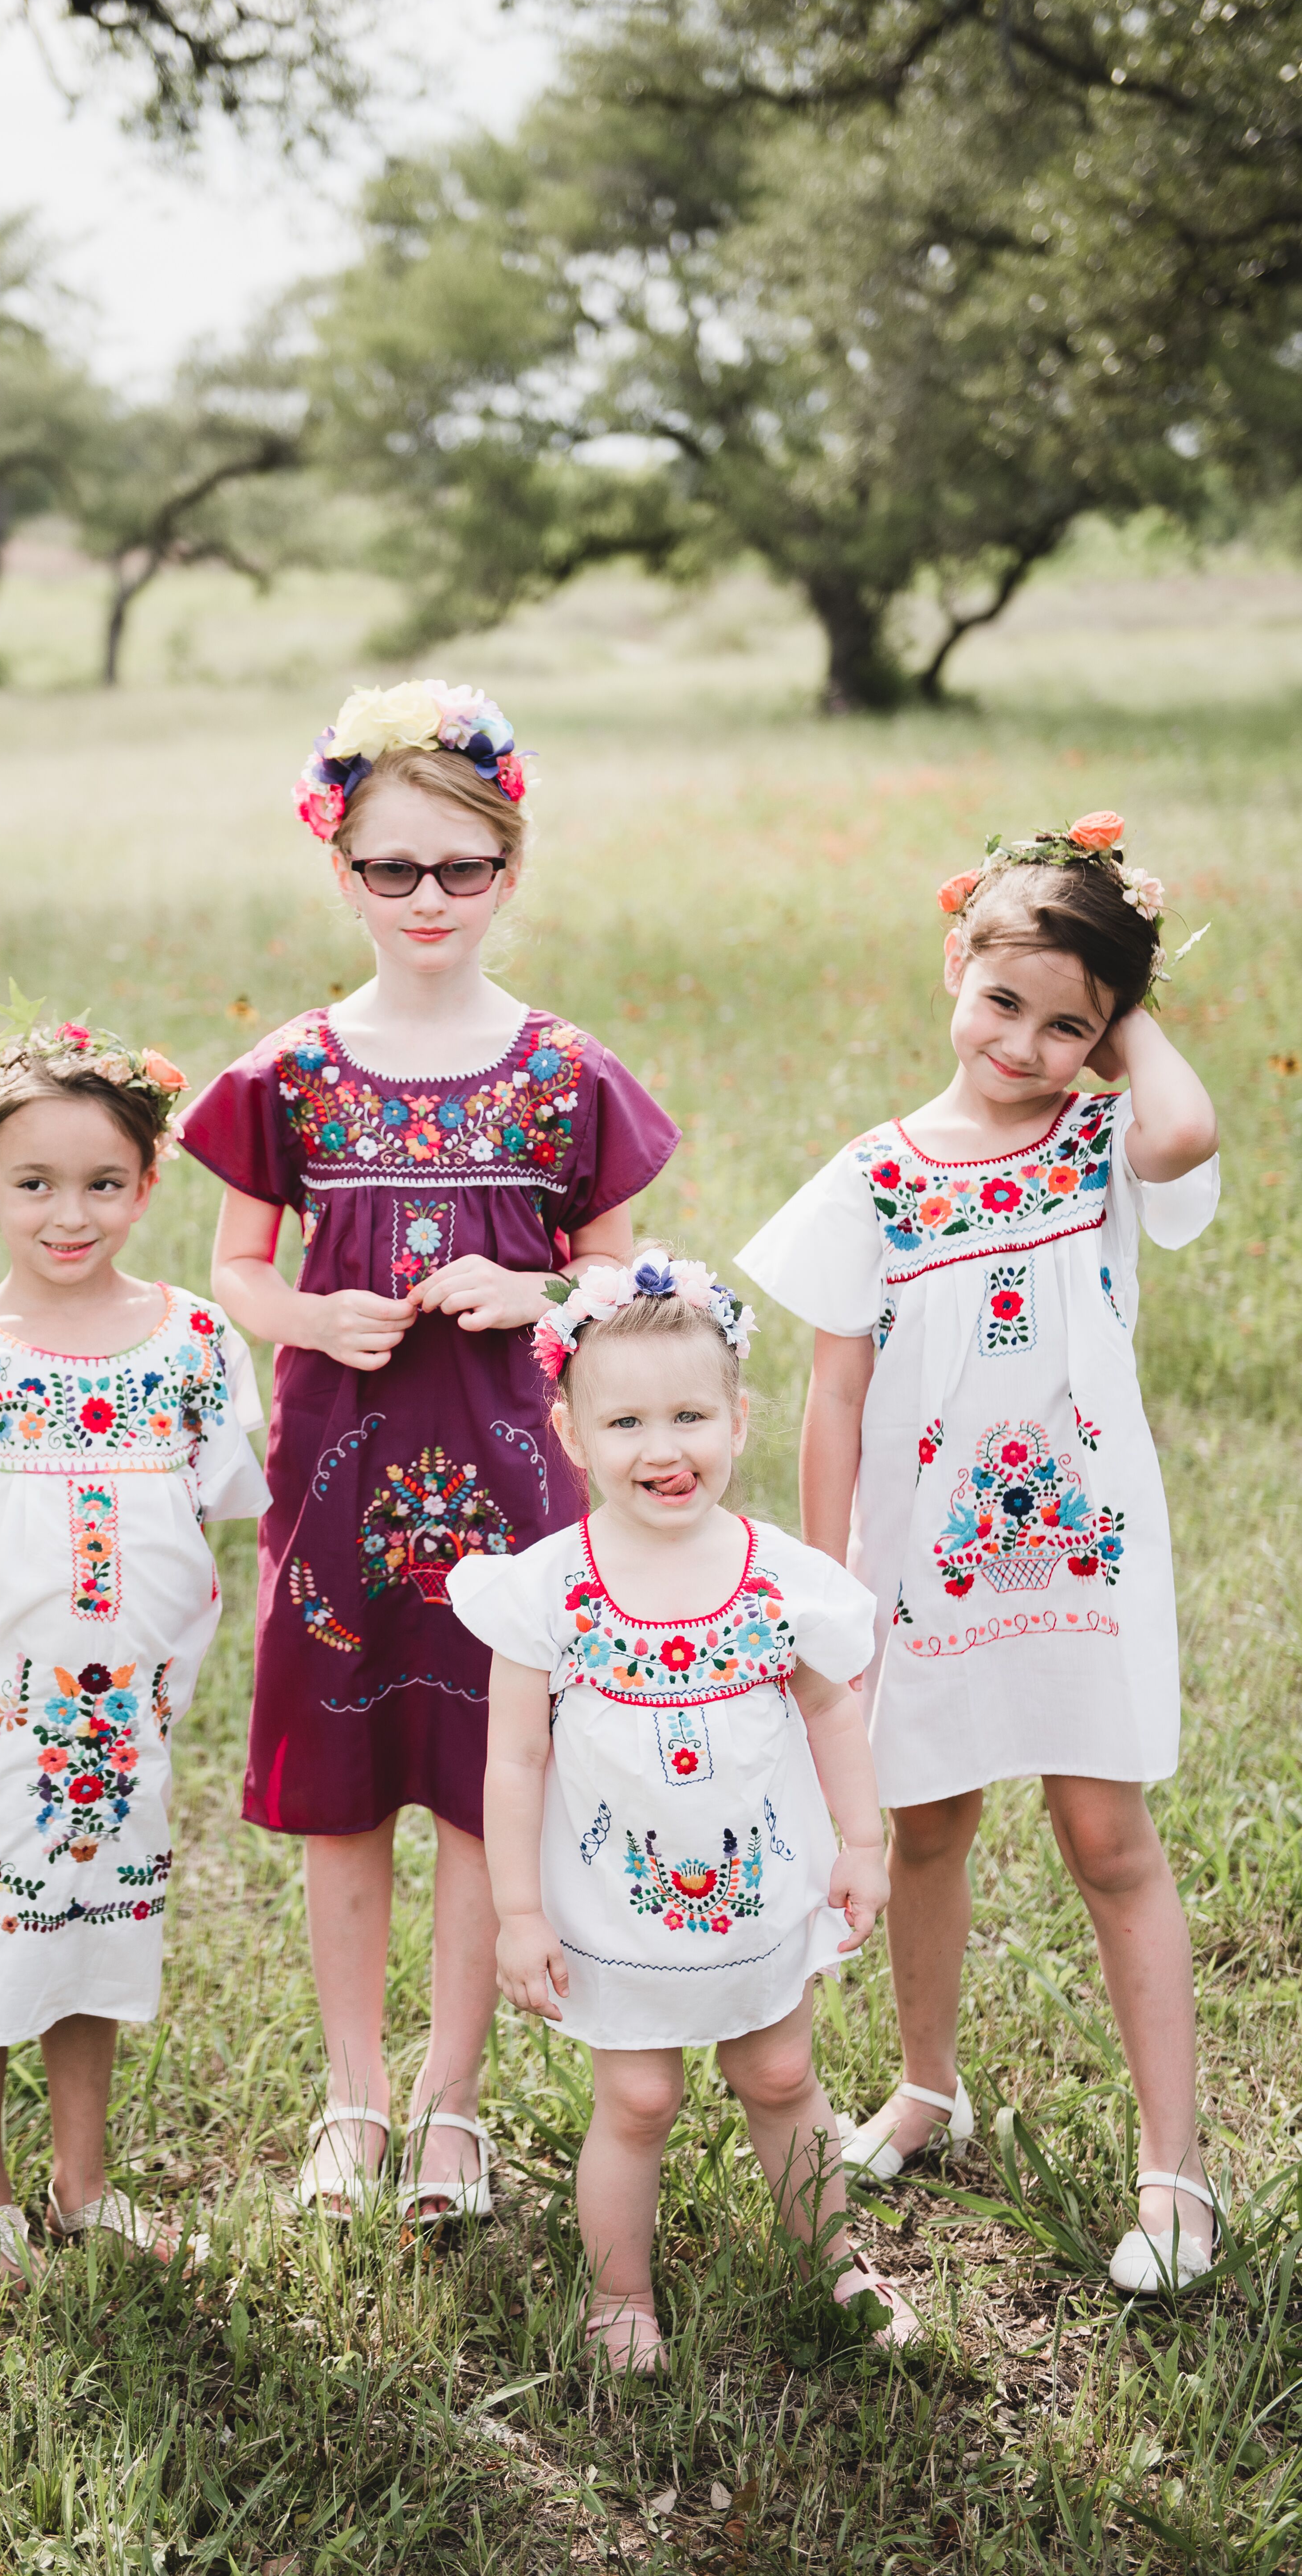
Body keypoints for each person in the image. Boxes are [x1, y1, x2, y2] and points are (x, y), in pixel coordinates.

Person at [178, 681, 678, 2224]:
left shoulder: (562, 1070)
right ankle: (352, 2097)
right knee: (344, 1796)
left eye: (461, 868)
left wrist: (536, 1291)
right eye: (392, 869)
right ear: (340, 867)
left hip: (514, 1488)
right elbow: (236, 1273)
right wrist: (312, 1317)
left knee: (482, 1786)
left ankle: (451, 2109)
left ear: (509, 869)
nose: (427, 900)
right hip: (338, 1481)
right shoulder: (296, 1068)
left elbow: (624, 1283)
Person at [737, 815, 1220, 2292]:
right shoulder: (871, 1178)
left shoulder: (1098, 1146)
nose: (1025, 1041)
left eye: (1069, 1023)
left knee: (1105, 1842)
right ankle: (929, 2087)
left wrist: (1121, 1013)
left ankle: (1176, 2172)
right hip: (917, 1576)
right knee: (928, 1828)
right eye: (1004, 999)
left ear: (1109, 1034)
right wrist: (823, 1590)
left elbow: (1188, 1130)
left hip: (1076, 1569)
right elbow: (832, 1392)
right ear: (954, 965)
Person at [0, 996, 268, 2285]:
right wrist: (33, 1611)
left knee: (97, 1927)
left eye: (100, 1183)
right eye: (34, 1184)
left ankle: (83, 2185)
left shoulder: (190, 1336)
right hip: (7, 1705)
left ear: (146, 1184)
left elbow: (211, 1502)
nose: (68, 1213)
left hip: (133, 1710)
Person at [451, 1250, 916, 2372]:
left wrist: (862, 1843)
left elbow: (831, 1715)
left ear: (739, 1418)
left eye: (689, 1416)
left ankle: (836, 2260)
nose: (662, 1451)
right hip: (617, 1906)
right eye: (625, 1425)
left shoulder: (775, 1577)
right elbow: (514, 1762)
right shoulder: (551, 1588)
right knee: (642, 2095)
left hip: (757, 1890)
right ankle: (619, 2297)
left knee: (781, 2075)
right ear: (570, 1434)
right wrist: (518, 1916)